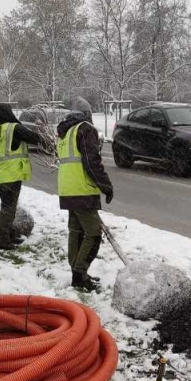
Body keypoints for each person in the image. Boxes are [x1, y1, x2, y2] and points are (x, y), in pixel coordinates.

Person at [56, 97, 113, 292]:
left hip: (67, 188)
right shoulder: (86, 129)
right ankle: (79, 274)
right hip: (82, 189)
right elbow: (91, 163)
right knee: (93, 233)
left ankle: (76, 271)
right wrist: (105, 185)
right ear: (87, 115)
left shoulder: (65, 131)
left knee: (76, 231)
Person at [0, 103, 42, 250]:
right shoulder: (13, 128)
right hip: (11, 174)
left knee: (8, 206)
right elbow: (34, 138)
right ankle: (3, 240)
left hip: (0, 174)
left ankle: (10, 234)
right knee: (8, 207)